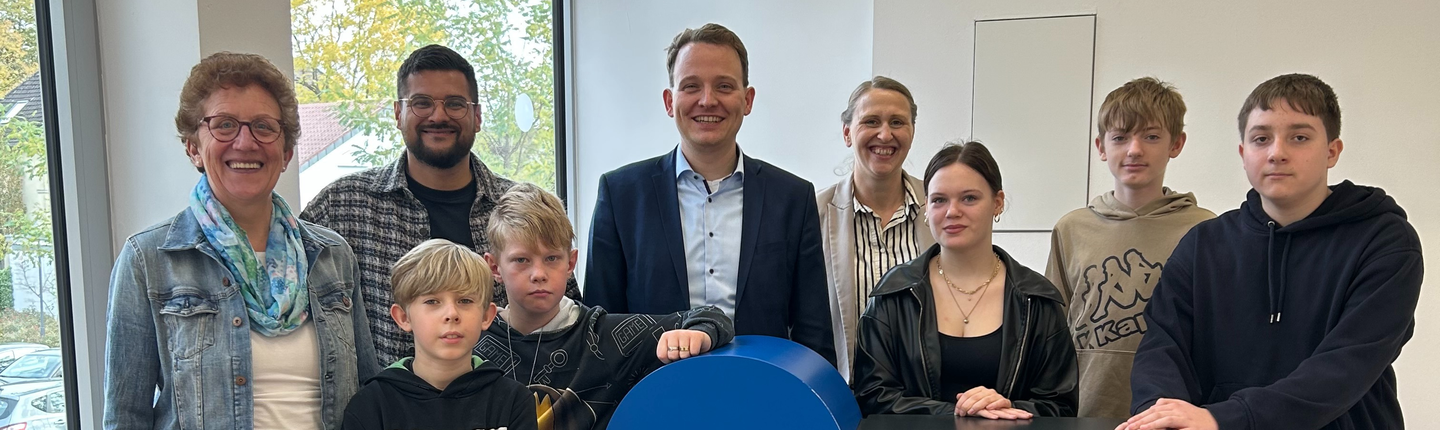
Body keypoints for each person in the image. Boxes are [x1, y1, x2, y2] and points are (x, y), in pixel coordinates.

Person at [1122, 74, 1424, 430]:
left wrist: (1226, 418)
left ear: (1332, 151)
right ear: (1243, 153)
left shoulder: (1386, 242)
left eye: (1299, 137)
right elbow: (1162, 346)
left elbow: (1347, 365)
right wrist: (1160, 416)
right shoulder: (1203, 244)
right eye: (1261, 139)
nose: (1277, 153)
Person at [103, 52, 379, 429]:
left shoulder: (332, 255)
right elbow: (125, 417)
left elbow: (367, 395)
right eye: (225, 125)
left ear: (286, 153)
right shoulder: (148, 260)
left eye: (263, 127)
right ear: (193, 148)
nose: (245, 142)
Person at [301, 44, 580, 367]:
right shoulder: (339, 208)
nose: (438, 116)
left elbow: (570, 323)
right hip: (379, 398)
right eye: (421, 103)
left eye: (455, 104)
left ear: (477, 117)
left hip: (510, 397)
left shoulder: (523, 209)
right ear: (398, 114)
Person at [582, 23, 835, 365]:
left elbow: (814, 335)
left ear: (747, 100)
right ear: (670, 101)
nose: (707, 100)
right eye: (691, 86)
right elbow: (598, 332)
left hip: (764, 390)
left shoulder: (792, 198)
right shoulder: (621, 196)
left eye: (724, 86)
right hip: (654, 391)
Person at [474, 183, 735, 429]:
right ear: (494, 267)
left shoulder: (605, 336)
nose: (538, 274)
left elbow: (712, 317)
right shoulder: (472, 342)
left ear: (570, 263)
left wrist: (695, 335)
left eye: (551, 258)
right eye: (521, 260)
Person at [853, 141, 1077, 419]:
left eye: (969, 198)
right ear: (926, 209)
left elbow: (1061, 406)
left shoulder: (1038, 300)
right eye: (939, 200)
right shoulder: (893, 294)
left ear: (997, 203)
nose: (952, 211)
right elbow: (872, 399)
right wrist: (959, 413)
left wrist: (1008, 408)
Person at [1045, 77, 1215, 418]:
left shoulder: (1205, 229)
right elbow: (1051, 330)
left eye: (1151, 136)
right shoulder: (1072, 229)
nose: (1134, 150)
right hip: (1083, 409)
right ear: (1101, 147)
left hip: (1172, 411)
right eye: (1120, 137)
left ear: (1176, 143)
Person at [341, 239, 536, 430]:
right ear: (403, 317)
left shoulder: (513, 402)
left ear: (486, 316)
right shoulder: (371, 406)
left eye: (465, 301)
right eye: (432, 301)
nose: (451, 314)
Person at [818, 76, 935, 382]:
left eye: (897, 122)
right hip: (841, 392)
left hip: (925, 396)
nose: (885, 134)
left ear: (911, 132)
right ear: (847, 133)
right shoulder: (814, 214)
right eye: (871, 121)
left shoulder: (940, 208)